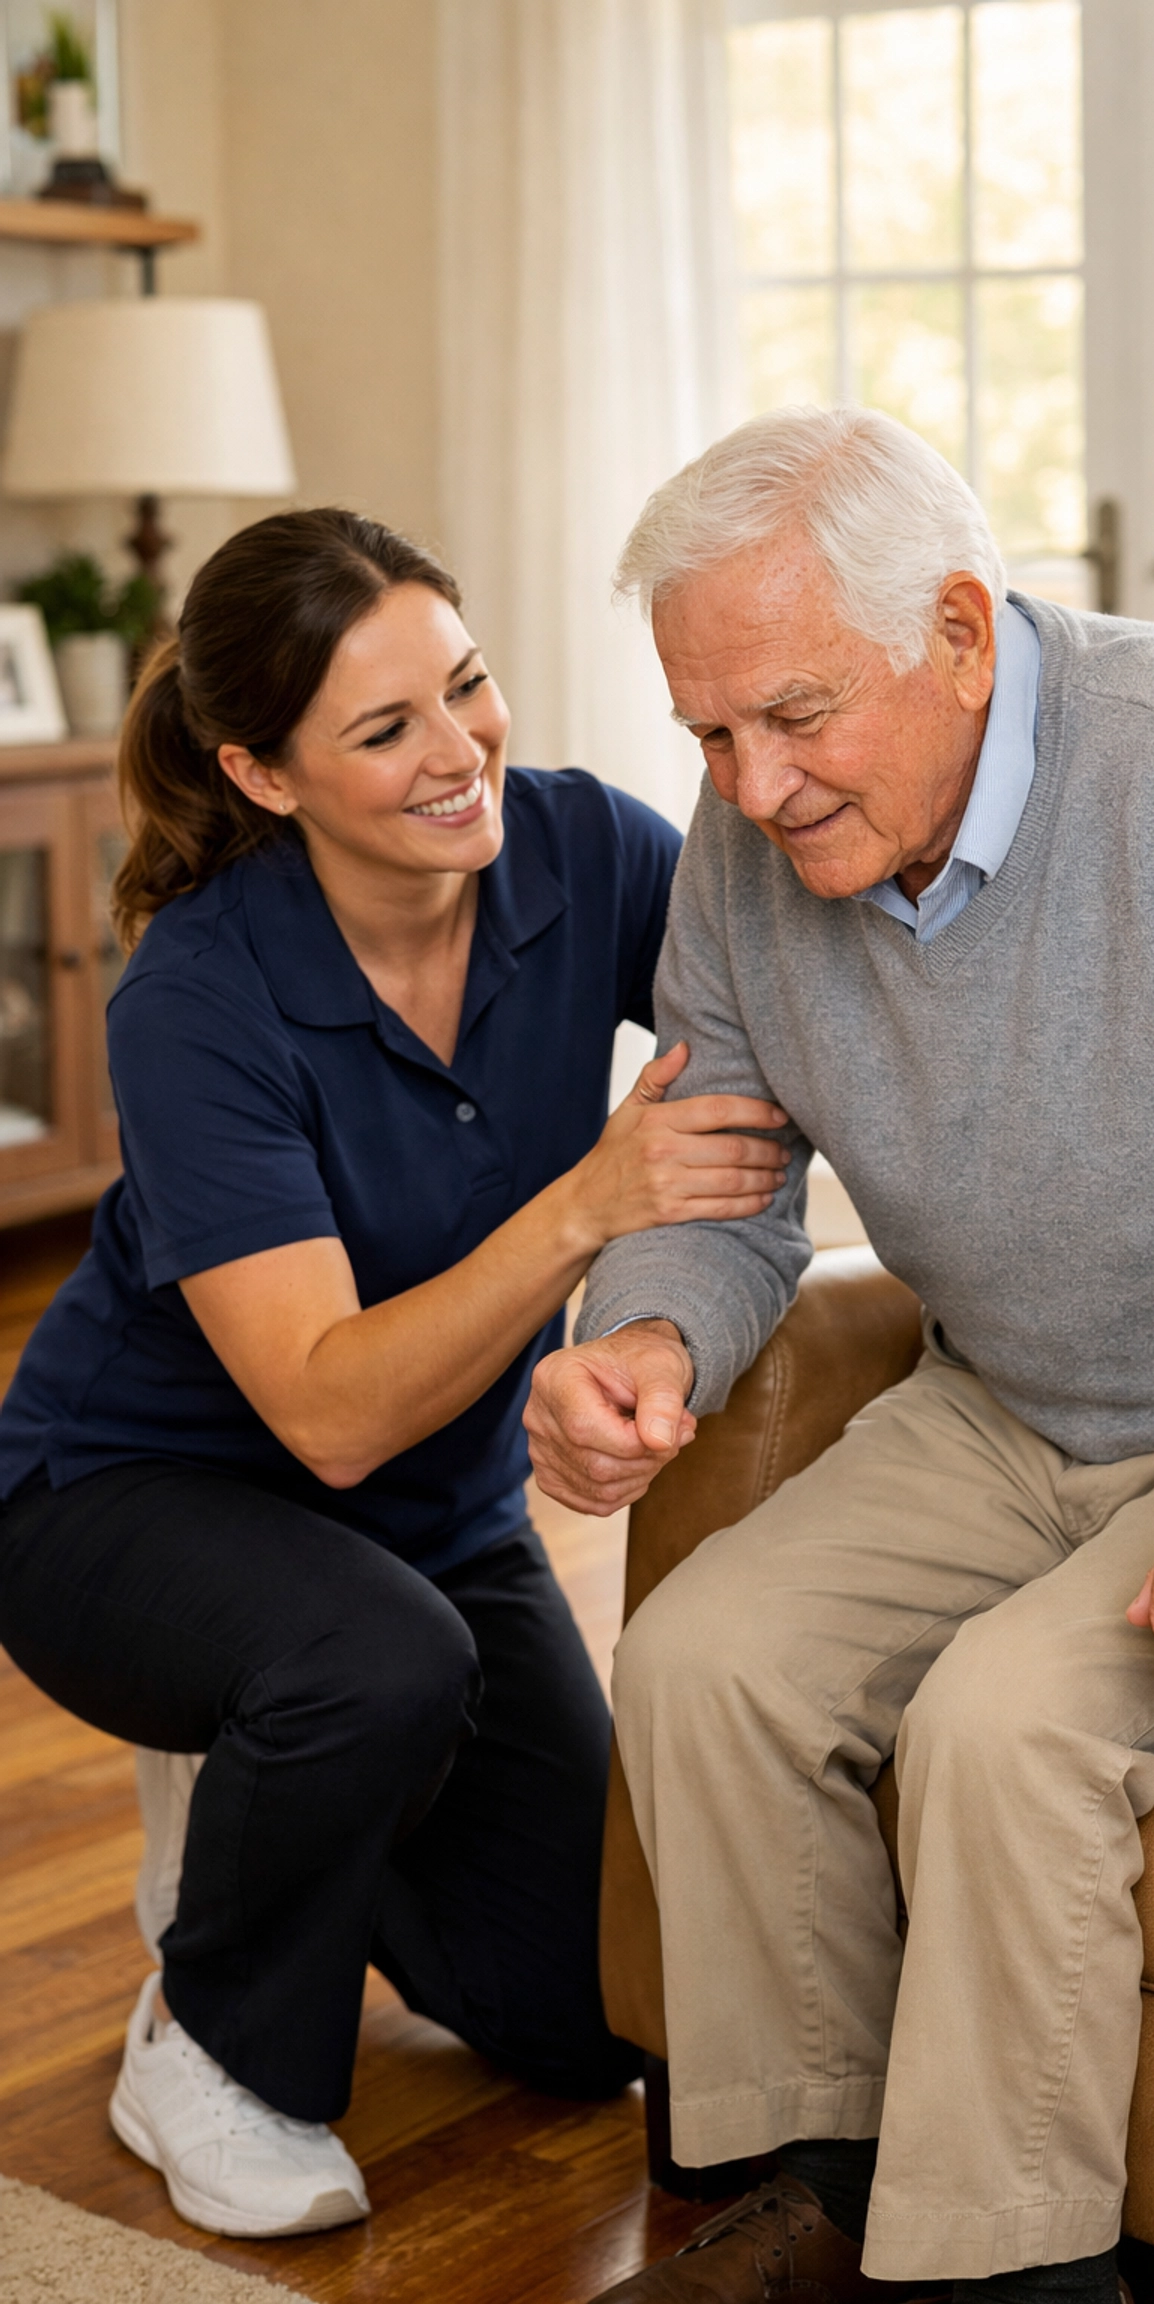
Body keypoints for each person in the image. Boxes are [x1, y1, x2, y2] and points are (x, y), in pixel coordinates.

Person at [523, 407, 1154, 2304]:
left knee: (1001, 1729)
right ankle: (817, 2189)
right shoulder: (755, 846)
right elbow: (721, 1164)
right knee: (703, 1660)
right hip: (1010, 1399)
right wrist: (646, 1332)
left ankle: (1002, 2278)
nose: (748, 788)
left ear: (965, 635)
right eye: (709, 732)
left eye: (798, 715)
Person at [0, 508, 789, 2242]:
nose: (461, 752)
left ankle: (295, 1813)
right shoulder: (196, 995)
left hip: (426, 1527)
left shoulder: (580, 849)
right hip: (133, 1503)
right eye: (386, 729)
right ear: (261, 775)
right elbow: (330, 1411)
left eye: (469, 684)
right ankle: (206, 2038)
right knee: (371, 1657)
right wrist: (589, 1201)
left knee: (589, 2024)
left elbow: (777, 1021)